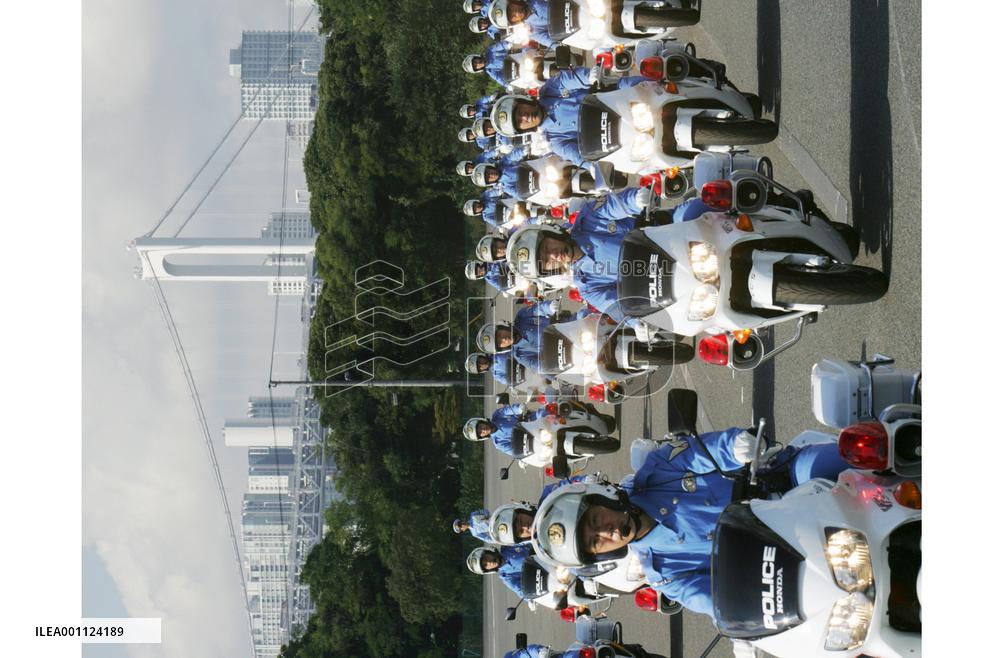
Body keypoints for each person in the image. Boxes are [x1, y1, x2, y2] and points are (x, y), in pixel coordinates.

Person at [530, 427, 852, 616]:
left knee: (850, 454)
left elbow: (703, 451)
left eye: (597, 519)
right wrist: (741, 622)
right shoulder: (665, 575)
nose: (607, 531)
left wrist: (738, 445)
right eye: (594, 541)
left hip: (785, 483)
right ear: (598, 556)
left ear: (602, 497)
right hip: (788, 557)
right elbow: (716, 600)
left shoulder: (656, 471)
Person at [506, 187, 709, 321]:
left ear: (549, 233)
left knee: (704, 207)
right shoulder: (588, 287)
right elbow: (617, 306)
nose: (552, 255)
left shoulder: (588, 220)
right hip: (669, 284)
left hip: (671, 230)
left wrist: (635, 200)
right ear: (547, 272)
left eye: (545, 247)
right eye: (545, 262)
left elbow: (613, 205)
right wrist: (635, 324)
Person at [491, 67, 653, 168]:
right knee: (646, 165)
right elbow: (578, 156)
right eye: (520, 122)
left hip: (617, 98)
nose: (524, 117)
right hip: (619, 137)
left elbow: (566, 79)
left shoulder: (549, 91)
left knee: (644, 85)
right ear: (522, 130)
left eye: (520, 112)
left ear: (523, 101)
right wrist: (593, 168)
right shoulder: (555, 141)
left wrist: (588, 76)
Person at [462, 402, 545, 456]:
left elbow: (508, 410)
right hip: (533, 439)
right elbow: (514, 451)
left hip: (532, 420)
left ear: (482, 421)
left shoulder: (497, 415)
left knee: (543, 413)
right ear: (481, 437)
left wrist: (519, 408)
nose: (483, 430)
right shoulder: (499, 443)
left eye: (480, 427)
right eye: (480, 432)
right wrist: (522, 457)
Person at [466, 544, 533, 599]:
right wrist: (530, 599)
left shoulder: (508, 545)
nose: (489, 562)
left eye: (486, 558)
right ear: (487, 570)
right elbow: (520, 590)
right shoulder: (507, 576)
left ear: (488, 552)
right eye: (485, 565)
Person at [487, 0, 555, 48]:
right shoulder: (533, 31)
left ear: (512, 2)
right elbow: (551, 43)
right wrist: (560, 50)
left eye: (510, 9)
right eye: (511, 16)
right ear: (513, 23)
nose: (514, 13)